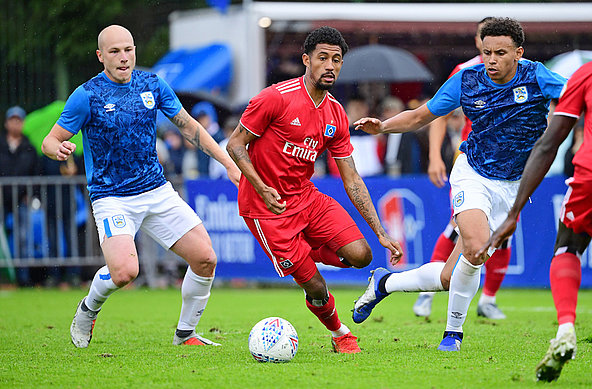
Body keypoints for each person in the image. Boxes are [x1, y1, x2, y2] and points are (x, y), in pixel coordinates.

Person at [351, 17, 566, 351]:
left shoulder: (537, 76)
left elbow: (579, 96)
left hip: (513, 186)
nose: (491, 60)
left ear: (518, 53)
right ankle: (453, 333)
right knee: (477, 248)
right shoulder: (467, 80)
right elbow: (421, 116)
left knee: (452, 276)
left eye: (500, 53)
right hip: (472, 173)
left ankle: (385, 282)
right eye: (486, 52)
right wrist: (383, 127)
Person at [41, 25, 241, 348]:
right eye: (115, 52)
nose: (124, 58)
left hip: (156, 190)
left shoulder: (152, 84)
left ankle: (186, 334)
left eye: (128, 50)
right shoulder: (87, 95)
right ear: (100, 56)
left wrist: (228, 163)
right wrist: (56, 148)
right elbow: (50, 140)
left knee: (206, 258)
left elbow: (190, 127)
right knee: (124, 273)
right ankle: (88, 308)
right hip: (111, 197)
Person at [226, 26, 402, 354]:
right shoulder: (274, 98)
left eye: (336, 59)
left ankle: (308, 254)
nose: (330, 65)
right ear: (307, 60)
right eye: (322, 58)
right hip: (267, 207)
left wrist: (380, 232)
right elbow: (235, 144)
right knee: (316, 286)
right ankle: (339, 333)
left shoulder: (336, 112)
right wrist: (261, 187)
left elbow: (351, 179)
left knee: (361, 256)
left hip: (306, 196)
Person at [478, 60, 592, 381]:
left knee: (568, 247)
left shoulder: (588, 73)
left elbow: (549, 143)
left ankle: (565, 329)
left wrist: (514, 212)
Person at [414, 17, 513, 320]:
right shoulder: (465, 71)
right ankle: (427, 292)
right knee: (459, 229)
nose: (492, 53)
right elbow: (438, 113)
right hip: (471, 162)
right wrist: (434, 156)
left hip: (508, 166)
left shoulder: (521, 72)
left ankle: (488, 300)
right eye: (486, 43)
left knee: (504, 232)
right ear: (478, 42)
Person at [0, 106, 41, 285]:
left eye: (19, 120)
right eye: (12, 120)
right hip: (1, 198)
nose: (15, 123)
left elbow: (36, 173)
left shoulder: (29, 147)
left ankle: (23, 278)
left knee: (24, 238)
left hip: (22, 199)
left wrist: (31, 195)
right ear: (6, 123)